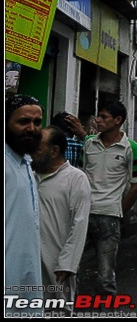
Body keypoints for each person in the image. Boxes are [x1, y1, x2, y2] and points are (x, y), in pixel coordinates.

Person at [68, 100, 137, 294]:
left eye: (103, 117)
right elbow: (81, 175)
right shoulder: (89, 143)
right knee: (70, 267)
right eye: (98, 116)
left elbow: (136, 186)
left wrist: (119, 211)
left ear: (118, 120)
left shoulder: (130, 148)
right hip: (83, 214)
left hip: (109, 217)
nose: (98, 120)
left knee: (105, 276)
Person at [31, 125, 92, 316]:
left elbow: (79, 224)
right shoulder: (29, 176)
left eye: (38, 148)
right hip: (29, 263)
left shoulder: (76, 179)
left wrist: (68, 263)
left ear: (54, 150)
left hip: (57, 265)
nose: (32, 153)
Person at [5, 94, 45, 316]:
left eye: (37, 122)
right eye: (23, 122)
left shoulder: (26, 162)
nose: (31, 128)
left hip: (26, 277)